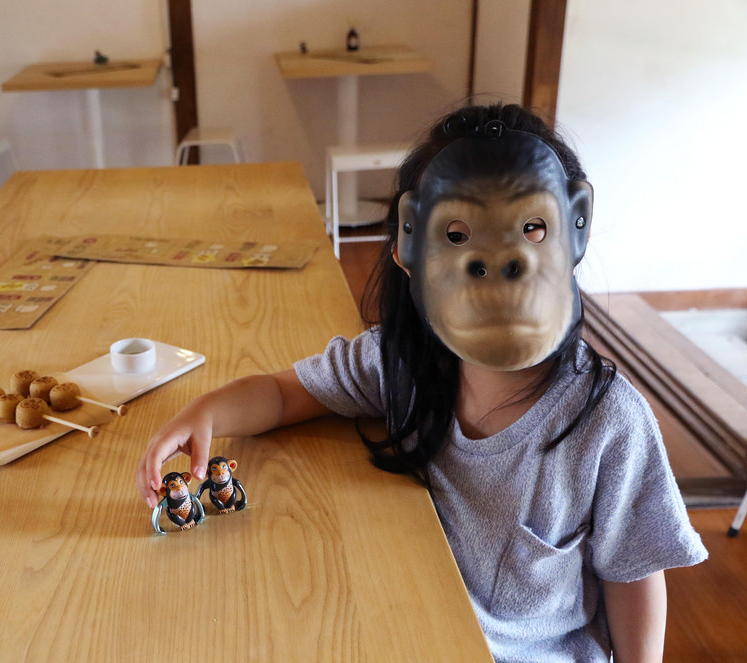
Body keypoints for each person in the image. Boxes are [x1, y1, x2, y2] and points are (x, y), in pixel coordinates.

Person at [135, 103, 707, 662]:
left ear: (575, 228)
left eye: (533, 227)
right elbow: (285, 393)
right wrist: (206, 413)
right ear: (411, 245)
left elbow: (633, 575)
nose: (498, 259)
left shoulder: (609, 422)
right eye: (457, 234)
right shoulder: (402, 363)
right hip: (411, 629)